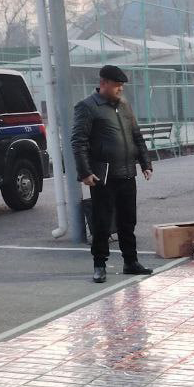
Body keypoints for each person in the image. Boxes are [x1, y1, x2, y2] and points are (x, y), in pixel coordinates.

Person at [70, 65, 153, 282]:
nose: (120, 89)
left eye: (122, 85)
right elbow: (78, 142)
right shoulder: (87, 107)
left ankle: (131, 262)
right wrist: (85, 172)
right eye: (117, 85)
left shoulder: (124, 105)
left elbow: (136, 136)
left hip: (127, 173)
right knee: (102, 223)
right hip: (103, 176)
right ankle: (99, 265)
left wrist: (145, 163)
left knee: (128, 221)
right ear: (103, 83)